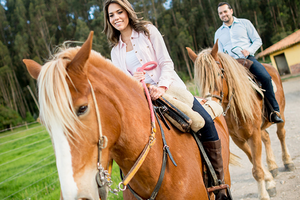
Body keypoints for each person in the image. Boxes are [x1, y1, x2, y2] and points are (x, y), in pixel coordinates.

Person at [103, 0, 229, 199]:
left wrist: (160, 87)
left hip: (169, 87)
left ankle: (219, 184)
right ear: (108, 20)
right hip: (141, 97)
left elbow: (165, 62)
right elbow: (123, 85)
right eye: (111, 15)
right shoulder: (115, 51)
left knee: (205, 122)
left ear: (127, 12)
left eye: (119, 12)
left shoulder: (148, 31)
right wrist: (134, 82)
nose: (116, 18)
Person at [214, 2, 283, 123]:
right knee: (218, 86)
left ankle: (274, 111)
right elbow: (218, 52)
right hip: (231, 65)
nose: (223, 15)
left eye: (225, 11)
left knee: (265, 77)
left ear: (231, 11)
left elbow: (257, 40)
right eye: (220, 13)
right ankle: (225, 119)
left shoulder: (245, 23)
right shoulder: (218, 33)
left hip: (247, 59)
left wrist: (249, 50)